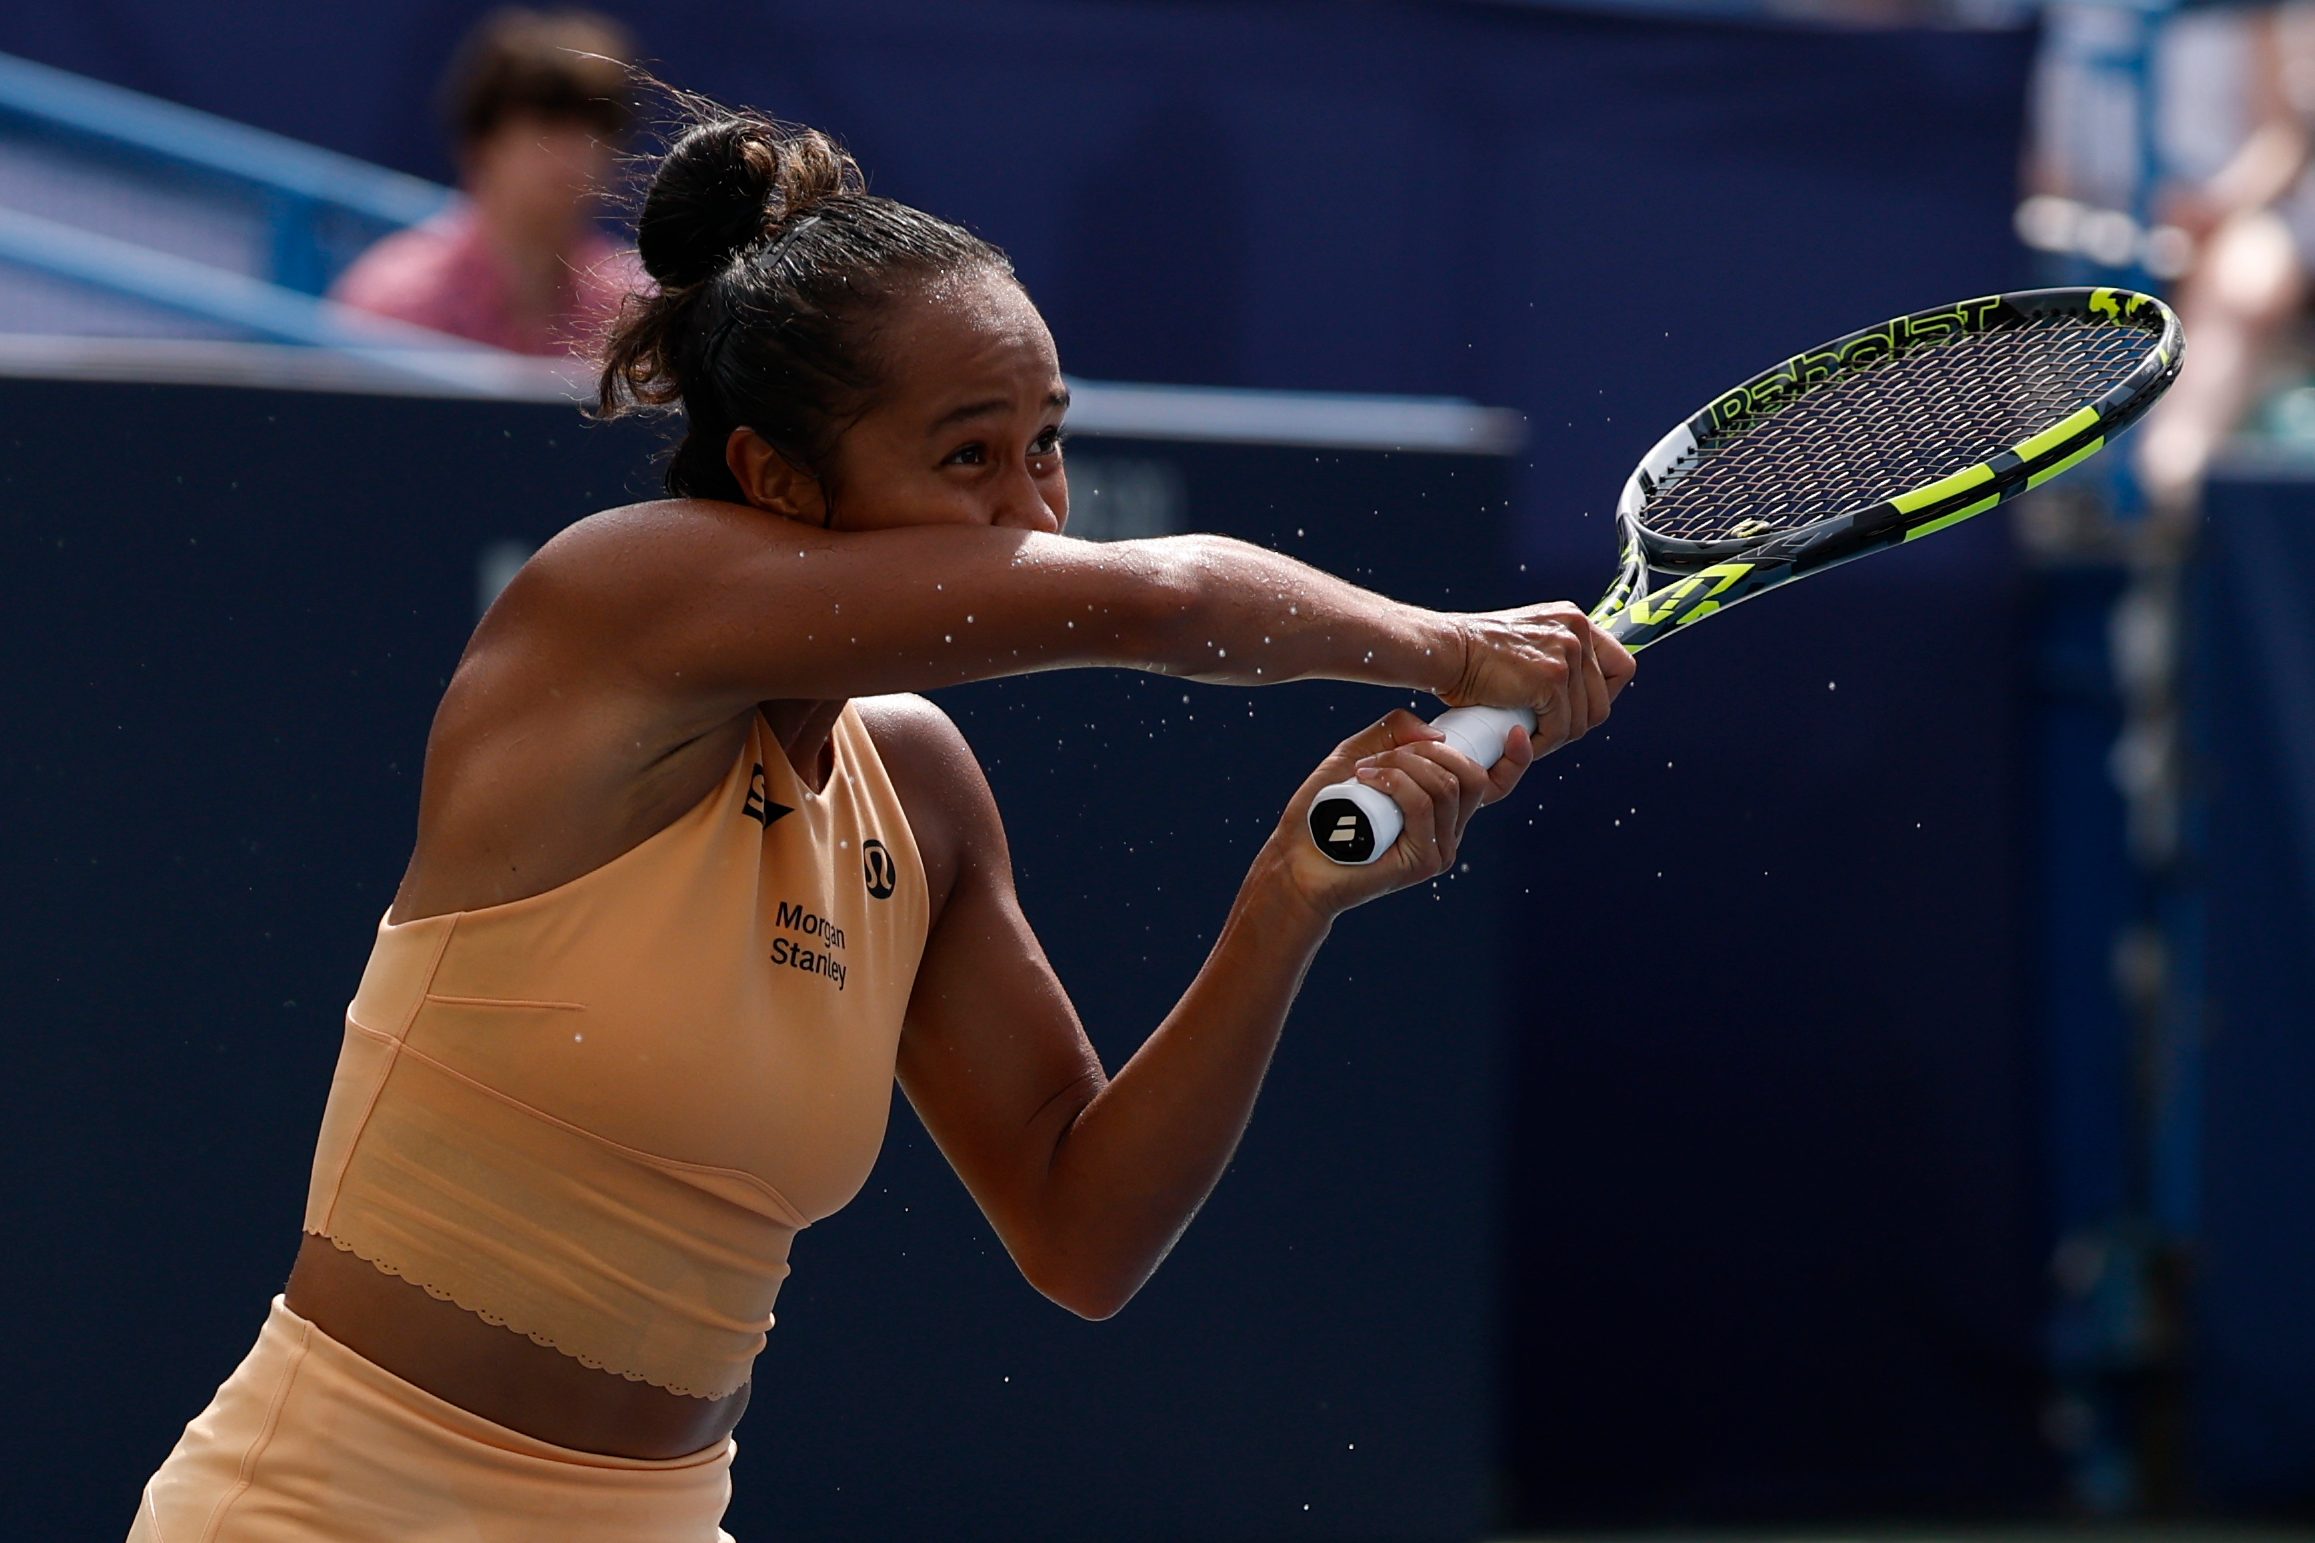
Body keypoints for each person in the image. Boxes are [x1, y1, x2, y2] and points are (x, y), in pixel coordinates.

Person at [127, 97, 1635, 1542]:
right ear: (775, 479)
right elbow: (1161, 595)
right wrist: (1451, 645)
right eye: (967, 454)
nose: (1034, 511)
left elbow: (1081, 1228)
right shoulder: (609, 599)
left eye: (1046, 440)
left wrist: (1283, 899)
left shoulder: (914, 785)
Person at [330, 9, 639, 356]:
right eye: (548, 126)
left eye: (596, 129)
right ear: (483, 143)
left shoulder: (632, 311)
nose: (576, 152)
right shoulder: (394, 303)